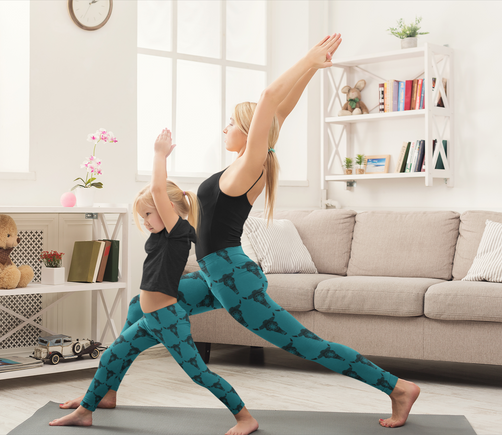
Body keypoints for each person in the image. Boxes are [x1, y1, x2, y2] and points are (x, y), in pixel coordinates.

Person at [60, 34, 421, 429]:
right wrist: (313, 71)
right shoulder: (245, 162)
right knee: (137, 307)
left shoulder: (251, 164)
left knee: (306, 344)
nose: (225, 127)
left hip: (234, 281)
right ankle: (107, 390)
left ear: (250, 132)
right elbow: (279, 109)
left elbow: (268, 99)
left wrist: (307, 59)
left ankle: (397, 387)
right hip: (215, 275)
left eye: (232, 122)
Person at [50, 129, 259, 435]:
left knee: (198, 373)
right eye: (143, 216)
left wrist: (159, 155)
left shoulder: (178, 233)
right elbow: (156, 201)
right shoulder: (161, 234)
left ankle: (245, 418)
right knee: (114, 353)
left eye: (149, 214)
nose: (146, 221)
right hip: (153, 316)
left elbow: (159, 191)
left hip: (167, 319)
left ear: (168, 210)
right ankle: (96, 402)